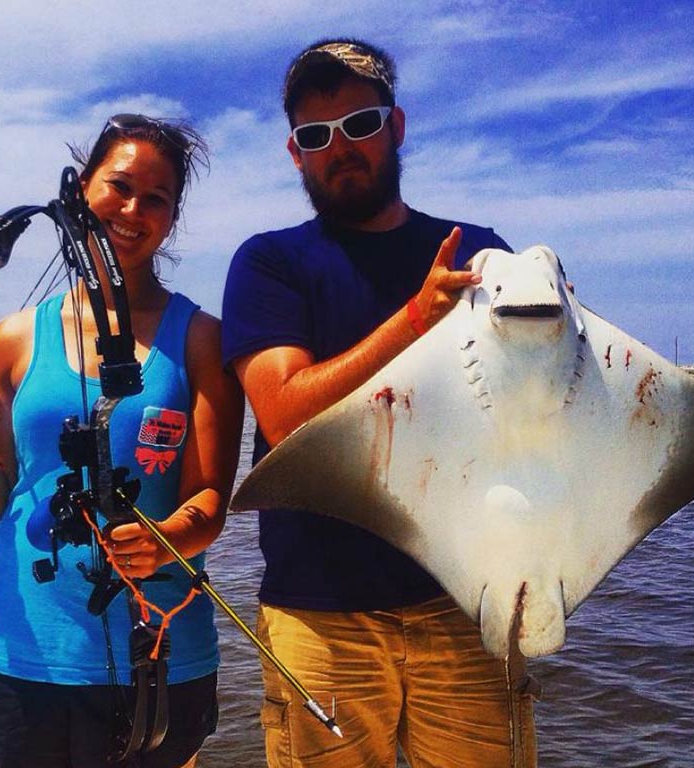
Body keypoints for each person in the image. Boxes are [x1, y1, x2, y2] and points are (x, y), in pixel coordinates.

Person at [221, 39, 536, 767]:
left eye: (360, 124)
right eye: (314, 136)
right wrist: (415, 320)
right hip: (319, 611)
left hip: (466, 602)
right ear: (294, 154)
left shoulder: (477, 252)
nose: (340, 148)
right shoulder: (270, 262)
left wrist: (558, 342)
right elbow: (285, 416)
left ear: (396, 127)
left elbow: (529, 418)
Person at [0, 114, 244, 768]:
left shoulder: (202, 340)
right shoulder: (16, 337)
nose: (133, 209)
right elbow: (0, 495)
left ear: (172, 219)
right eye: (118, 186)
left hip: (160, 656)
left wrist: (167, 535)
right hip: (17, 651)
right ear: (80, 190)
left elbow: (209, 501)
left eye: (157, 198)